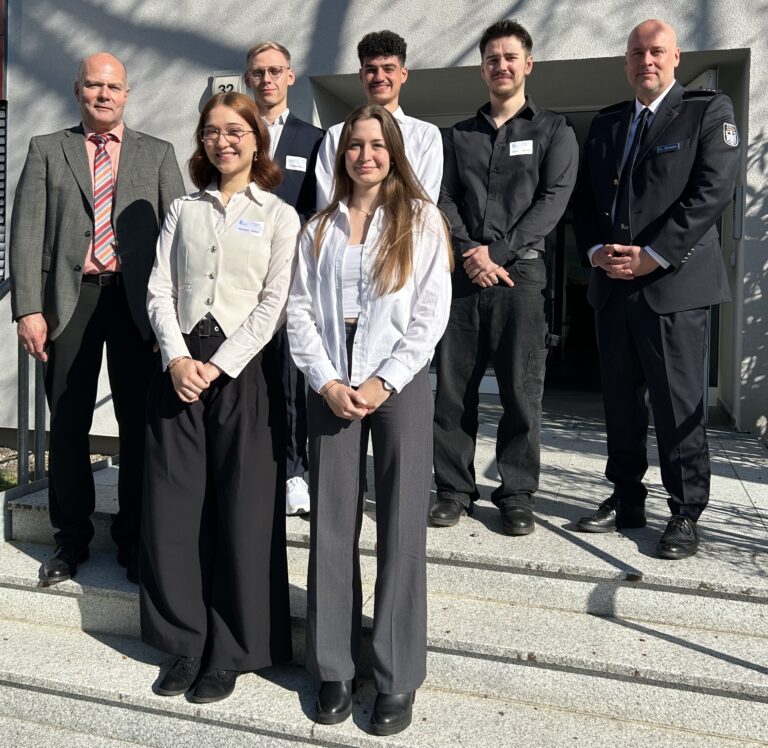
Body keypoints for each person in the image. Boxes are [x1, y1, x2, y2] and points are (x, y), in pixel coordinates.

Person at [287, 104, 452, 736]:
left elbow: (431, 313)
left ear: (395, 151)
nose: (365, 155)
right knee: (332, 525)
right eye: (355, 145)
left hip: (399, 383)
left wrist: (385, 379)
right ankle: (332, 666)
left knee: (402, 528)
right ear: (341, 154)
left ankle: (396, 674)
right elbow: (299, 310)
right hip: (330, 382)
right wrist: (326, 380)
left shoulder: (421, 220)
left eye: (377, 145)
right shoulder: (319, 227)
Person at [140, 92, 299, 703]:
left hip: (244, 372)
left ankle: (229, 652)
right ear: (201, 142)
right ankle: (184, 643)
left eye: (236, 130)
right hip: (179, 368)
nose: (223, 140)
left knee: (243, 511)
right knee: (175, 511)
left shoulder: (280, 215)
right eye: (211, 131)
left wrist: (219, 364)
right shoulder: (183, 209)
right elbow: (158, 289)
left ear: (256, 139)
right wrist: (177, 357)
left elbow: (275, 303)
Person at [9, 52, 184, 584]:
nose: (103, 94)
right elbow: (25, 233)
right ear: (77, 91)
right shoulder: (47, 149)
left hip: (137, 304)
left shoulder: (157, 154)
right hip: (70, 300)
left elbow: (180, 243)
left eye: (112, 87)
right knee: (68, 424)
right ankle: (71, 540)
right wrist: (28, 308)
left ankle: (134, 539)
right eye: (93, 86)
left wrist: (171, 318)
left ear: (126, 93)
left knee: (138, 424)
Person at [573, 20, 740, 559]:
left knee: (676, 404)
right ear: (627, 62)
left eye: (657, 51)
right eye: (637, 52)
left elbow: (711, 191)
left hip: (674, 286)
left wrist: (653, 255)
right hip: (613, 287)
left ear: (675, 57)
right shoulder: (605, 124)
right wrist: (598, 253)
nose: (647, 60)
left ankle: (686, 512)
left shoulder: (706, 112)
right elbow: (584, 200)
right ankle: (626, 497)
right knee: (621, 404)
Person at [430, 20, 578, 535]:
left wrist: (498, 252)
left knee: (521, 391)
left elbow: (553, 201)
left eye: (510, 57)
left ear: (527, 64)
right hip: (465, 278)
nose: (501, 66)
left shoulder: (554, 130)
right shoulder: (459, 136)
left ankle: (516, 493)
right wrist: (472, 251)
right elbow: (441, 199)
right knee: (452, 390)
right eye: (492, 58)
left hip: (523, 278)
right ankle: (453, 489)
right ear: (483, 68)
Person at [245, 40, 324, 515]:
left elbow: (319, 211)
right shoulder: (235, 132)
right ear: (248, 78)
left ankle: (296, 472)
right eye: (258, 72)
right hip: (241, 281)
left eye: (276, 71)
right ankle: (256, 466)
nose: (267, 79)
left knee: (293, 380)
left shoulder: (313, 140)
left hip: (292, 279)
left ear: (290, 77)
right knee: (250, 379)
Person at [315, 30, 443, 208]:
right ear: (361, 76)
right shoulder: (336, 135)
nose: (379, 77)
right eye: (371, 70)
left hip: (405, 234)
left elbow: (424, 203)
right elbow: (328, 201)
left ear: (403, 74)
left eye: (388, 69)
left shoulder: (426, 135)